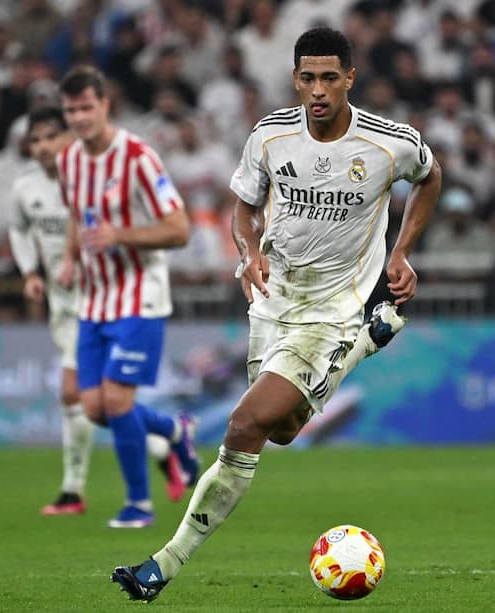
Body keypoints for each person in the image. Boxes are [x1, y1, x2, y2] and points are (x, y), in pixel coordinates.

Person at [111, 26, 442, 601]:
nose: (318, 90)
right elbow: (243, 209)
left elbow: (430, 177)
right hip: (272, 302)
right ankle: (366, 344)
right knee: (281, 430)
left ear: (350, 79)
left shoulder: (390, 142)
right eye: (308, 78)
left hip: (332, 309)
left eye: (330, 78)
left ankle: (162, 566)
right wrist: (248, 252)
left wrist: (402, 251)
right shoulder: (270, 135)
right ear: (295, 79)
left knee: (243, 425)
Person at [8, 106, 189, 516]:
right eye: (34, 140)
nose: (43, 147)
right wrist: (30, 272)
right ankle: (166, 438)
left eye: (50, 136)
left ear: (68, 137)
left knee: (78, 395)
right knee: (99, 405)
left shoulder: (94, 177)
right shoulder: (25, 187)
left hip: (108, 298)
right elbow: (18, 229)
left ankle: (75, 490)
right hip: (64, 302)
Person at [56, 66, 200, 528]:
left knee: (117, 401)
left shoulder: (138, 157)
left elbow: (179, 229)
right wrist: (68, 258)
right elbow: (76, 215)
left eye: (86, 107)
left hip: (140, 296)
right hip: (93, 299)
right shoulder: (69, 160)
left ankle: (139, 504)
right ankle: (174, 429)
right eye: (71, 110)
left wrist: (121, 234)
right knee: (95, 407)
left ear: (105, 105)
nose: (79, 117)